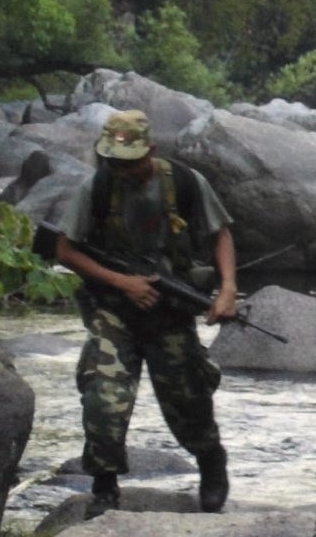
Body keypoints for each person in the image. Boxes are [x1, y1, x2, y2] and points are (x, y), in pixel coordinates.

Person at [56, 110, 238, 514]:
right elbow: (65, 250)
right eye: (115, 162)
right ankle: (104, 485)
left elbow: (220, 234)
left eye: (131, 162)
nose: (123, 170)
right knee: (103, 398)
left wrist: (227, 290)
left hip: (170, 310)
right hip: (114, 311)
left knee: (189, 399)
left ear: (151, 151)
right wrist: (123, 283)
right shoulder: (97, 188)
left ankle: (211, 462)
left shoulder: (186, 183)